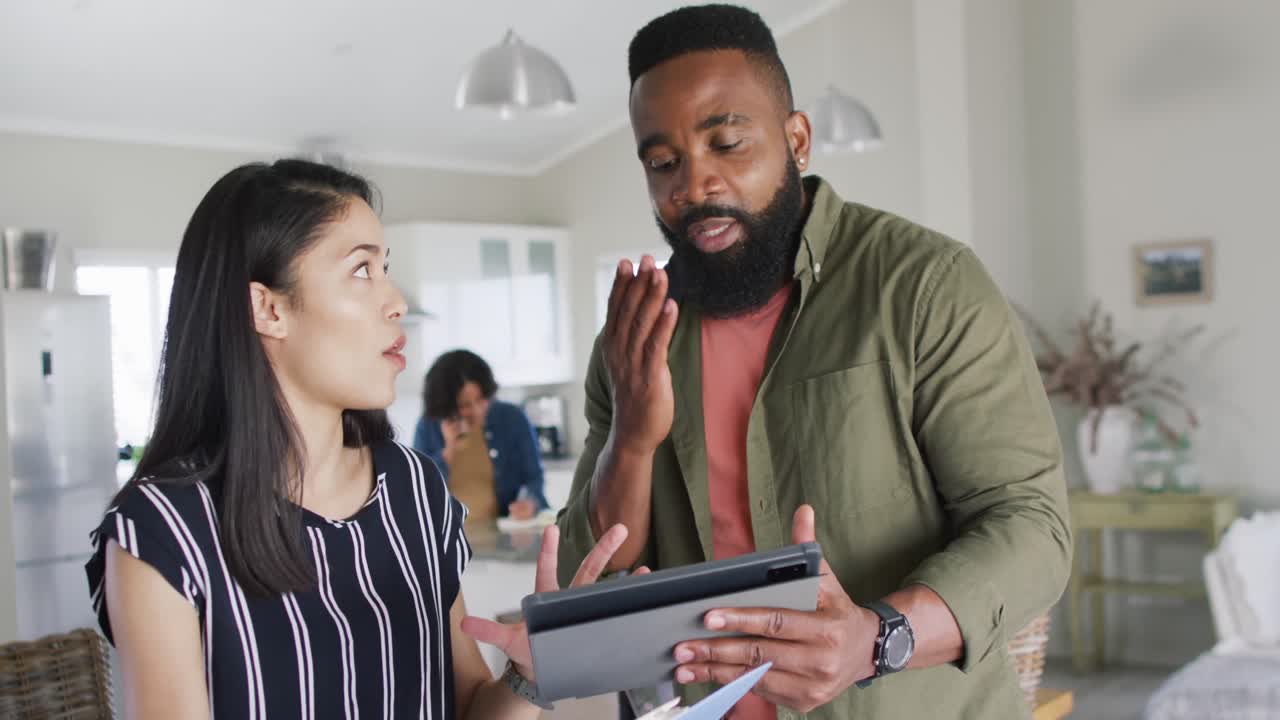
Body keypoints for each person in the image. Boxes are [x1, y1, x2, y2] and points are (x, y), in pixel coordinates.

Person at [555, 4, 1072, 719]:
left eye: (728, 142)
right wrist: (633, 438)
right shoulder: (637, 334)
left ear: (796, 138)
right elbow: (596, 583)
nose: (694, 184)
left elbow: (1031, 525)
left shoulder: (923, 285)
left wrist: (876, 637)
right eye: (662, 162)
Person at [84, 159, 631, 719]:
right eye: (362, 269)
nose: (396, 300)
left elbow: (469, 708)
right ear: (268, 308)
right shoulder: (162, 532)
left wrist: (527, 675)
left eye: (385, 267)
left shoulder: (414, 490)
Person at [413, 350, 549, 522]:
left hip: (501, 539)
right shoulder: (428, 426)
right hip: (446, 542)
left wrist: (530, 502)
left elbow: (534, 478)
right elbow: (417, 492)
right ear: (445, 405)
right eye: (465, 405)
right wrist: (449, 451)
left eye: (481, 399)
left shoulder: (512, 418)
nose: (477, 411)